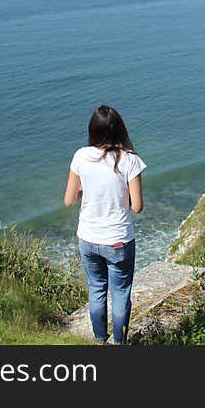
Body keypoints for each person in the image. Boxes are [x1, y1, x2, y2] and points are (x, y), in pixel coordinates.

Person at [64, 105, 146, 344]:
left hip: (88, 238)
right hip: (118, 239)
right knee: (120, 293)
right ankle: (119, 343)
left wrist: (84, 189)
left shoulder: (80, 155)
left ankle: (100, 339)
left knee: (96, 289)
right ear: (120, 130)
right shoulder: (130, 160)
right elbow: (138, 206)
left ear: (93, 130)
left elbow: (68, 200)